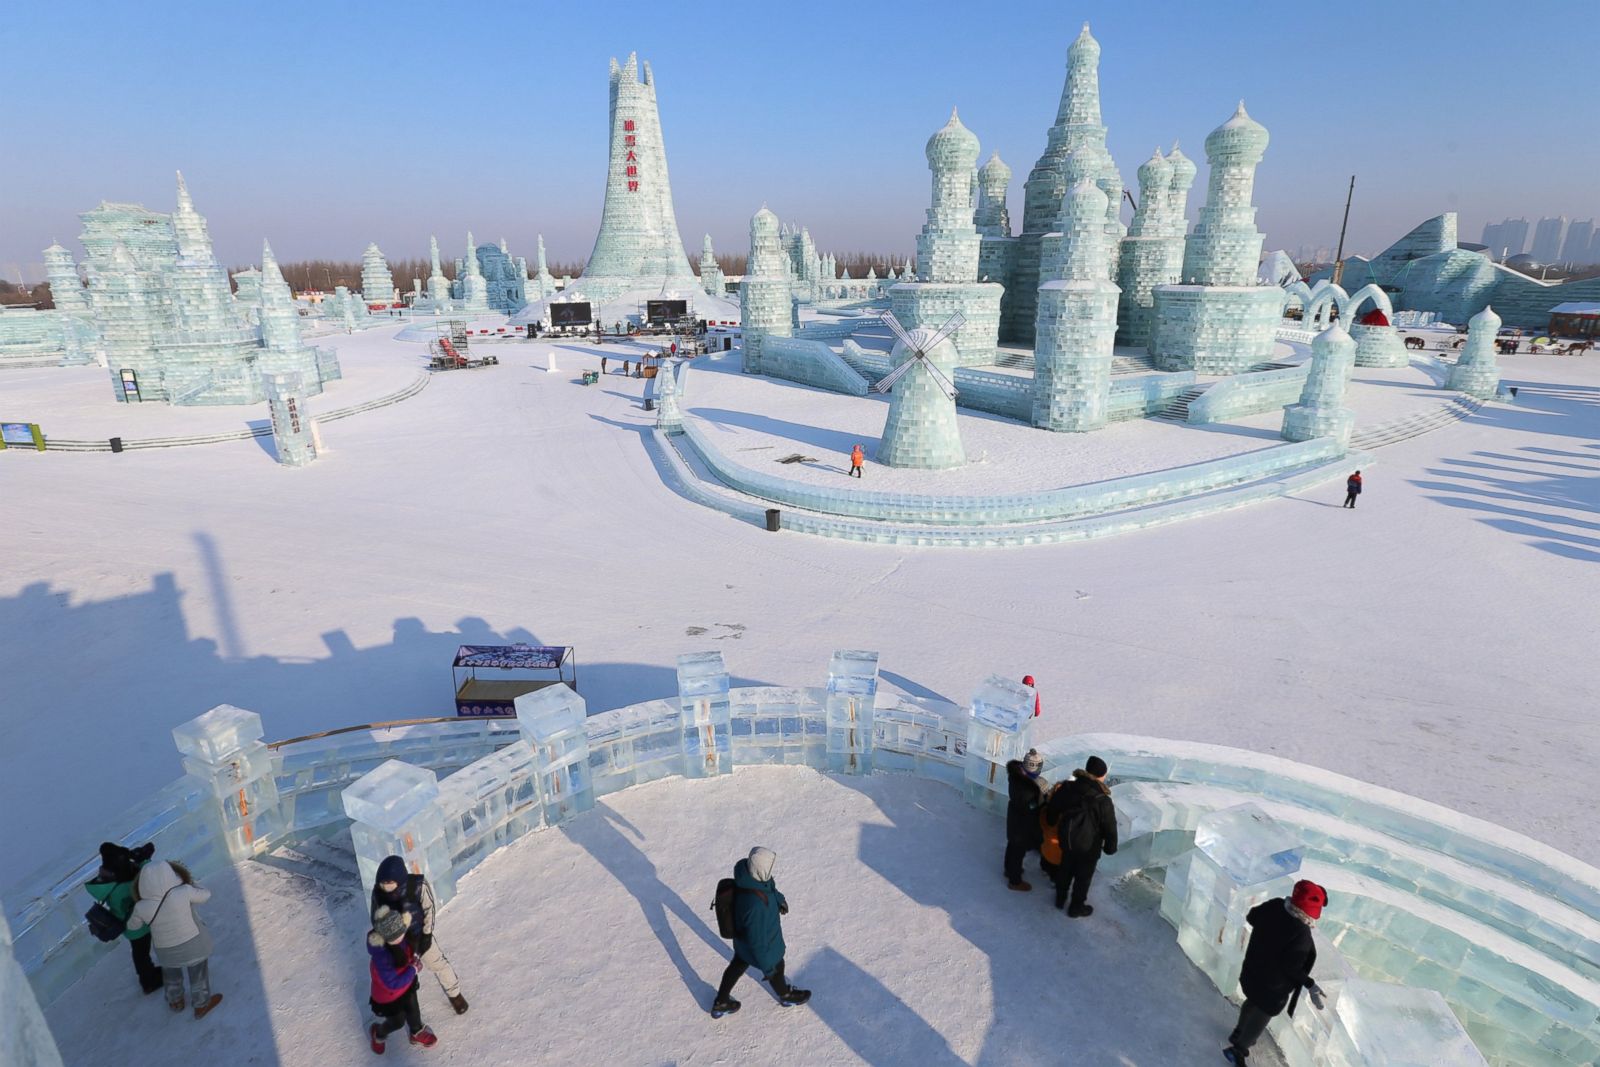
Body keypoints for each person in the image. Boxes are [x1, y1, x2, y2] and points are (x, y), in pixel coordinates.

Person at [1224, 881, 1329, 1065]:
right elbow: (1292, 967)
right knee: (1260, 1017)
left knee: (1251, 1002)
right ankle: (1237, 1050)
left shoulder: (1275, 905)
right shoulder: (1301, 933)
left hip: (1252, 971)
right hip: (1272, 988)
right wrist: (1310, 984)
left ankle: (1238, 1032)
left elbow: (1252, 917)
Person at [711, 847, 811, 1017]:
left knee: (737, 965)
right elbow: (757, 942)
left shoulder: (751, 878)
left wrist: (779, 900)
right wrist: (768, 968)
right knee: (777, 965)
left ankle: (721, 1002)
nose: (771, 871)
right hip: (764, 944)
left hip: (743, 942)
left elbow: (770, 888)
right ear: (761, 870)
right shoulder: (755, 905)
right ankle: (786, 995)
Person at [371, 855, 469, 1015]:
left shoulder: (417, 885)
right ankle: (408, 1005)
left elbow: (429, 908)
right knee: (403, 971)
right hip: (397, 942)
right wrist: (388, 940)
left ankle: (455, 993)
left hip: (419, 934)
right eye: (383, 883)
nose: (386, 886)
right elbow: (375, 917)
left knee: (438, 964)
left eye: (390, 882)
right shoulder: (378, 893)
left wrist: (427, 934)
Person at [126, 859, 222, 1019]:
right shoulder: (183, 891)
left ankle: (175, 1001)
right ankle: (201, 1005)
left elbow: (132, 927)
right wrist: (192, 883)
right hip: (193, 945)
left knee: (171, 976)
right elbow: (206, 895)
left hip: (166, 951)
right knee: (198, 975)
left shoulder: (141, 907)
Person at [85, 841, 163, 994]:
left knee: (139, 952)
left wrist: (132, 858)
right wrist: (143, 860)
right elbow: (146, 877)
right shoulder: (125, 882)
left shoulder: (108, 880)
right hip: (139, 924)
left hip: (126, 923)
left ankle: (147, 976)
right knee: (142, 952)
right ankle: (148, 981)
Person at [1045, 755, 1117, 917]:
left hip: (1067, 839)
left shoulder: (1068, 787)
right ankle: (1076, 907)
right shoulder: (1103, 800)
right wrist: (1110, 847)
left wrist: (1051, 821)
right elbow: (1110, 827)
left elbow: (1054, 807)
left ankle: (1060, 899)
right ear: (1101, 775)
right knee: (1083, 877)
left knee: (1065, 867)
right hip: (1089, 846)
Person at [369, 905, 437, 1052]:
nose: (403, 936)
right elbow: (392, 983)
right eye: (398, 935)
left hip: (407, 984)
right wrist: (413, 969)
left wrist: (413, 959)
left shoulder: (398, 937)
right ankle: (379, 1033)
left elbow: (407, 949)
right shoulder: (382, 958)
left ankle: (416, 1032)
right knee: (397, 1022)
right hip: (390, 996)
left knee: (414, 1010)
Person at [1004, 749, 1047, 891]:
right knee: (1018, 851)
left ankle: (1008, 870)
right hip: (1021, 825)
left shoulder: (1016, 776)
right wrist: (1042, 798)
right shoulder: (1027, 788)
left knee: (1012, 847)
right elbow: (1031, 806)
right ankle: (1014, 881)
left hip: (1014, 819)